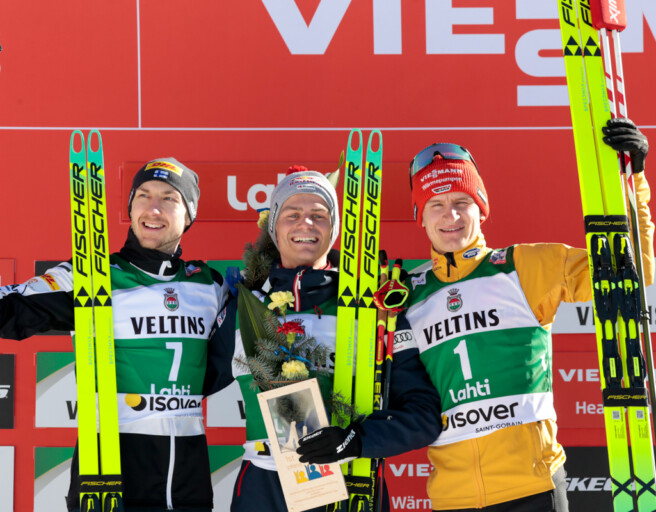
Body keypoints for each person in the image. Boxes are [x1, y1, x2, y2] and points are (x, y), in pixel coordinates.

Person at [0, 158, 229, 512]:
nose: (153, 208)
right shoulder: (90, 276)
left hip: (188, 474)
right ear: (130, 207)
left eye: (169, 198)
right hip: (111, 468)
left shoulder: (212, 285)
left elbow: (222, 369)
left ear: (189, 214)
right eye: (143, 195)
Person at [398, 118, 653, 511]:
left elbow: (631, 277)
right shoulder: (406, 294)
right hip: (452, 498)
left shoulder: (525, 265)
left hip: (532, 488)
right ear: (422, 215)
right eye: (437, 204)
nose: (451, 216)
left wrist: (631, 180)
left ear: (481, 207)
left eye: (462, 202)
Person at [208, 167, 442, 512]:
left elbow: (423, 415)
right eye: (292, 214)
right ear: (273, 226)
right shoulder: (246, 303)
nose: (306, 224)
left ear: (334, 229)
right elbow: (189, 384)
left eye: (319, 215)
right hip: (263, 487)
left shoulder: (373, 306)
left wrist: (357, 441)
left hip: (351, 482)